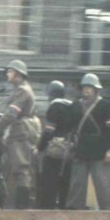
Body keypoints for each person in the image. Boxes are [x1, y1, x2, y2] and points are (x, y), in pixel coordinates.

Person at [66, 73, 110, 212]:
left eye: (90, 87)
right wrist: (71, 144)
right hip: (81, 147)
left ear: (96, 89)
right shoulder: (76, 105)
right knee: (77, 181)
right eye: (84, 87)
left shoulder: (106, 105)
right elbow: (71, 127)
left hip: (100, 147)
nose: (86, 90)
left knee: (104, 182)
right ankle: (75, 208)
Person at [0, 60, 37, 209]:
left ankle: (22, 208)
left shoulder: (23, 91)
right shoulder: (18, 90)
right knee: (14, 168)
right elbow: (4, 109)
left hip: (21, 132)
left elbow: (11, 114)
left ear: (17, 73)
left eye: (10, 71)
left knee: (21, 168)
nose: (7, 74)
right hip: (17, 131)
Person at [35, 80, 74, 209]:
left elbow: (49, 131)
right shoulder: (72, 105)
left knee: (48, 180)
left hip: (55, 148)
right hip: (70, 148)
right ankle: (64, 208)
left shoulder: (54, 106)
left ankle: (47, 208)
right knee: (66, 181)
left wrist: (39, 147)